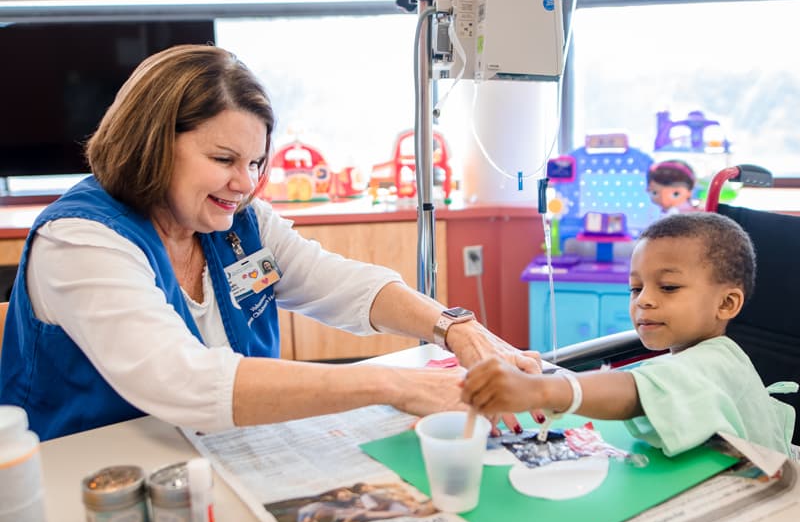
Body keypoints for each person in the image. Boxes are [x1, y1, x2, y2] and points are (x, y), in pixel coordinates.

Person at [0, 45, 539, 441]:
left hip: (217, 459)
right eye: (223, 160)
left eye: (256, 161)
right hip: (92, 482)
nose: (246, 183)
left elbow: (341, 285)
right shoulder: (80, 240)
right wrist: (392, 384)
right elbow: (183, 380)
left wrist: (455, 327)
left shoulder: (238, 223)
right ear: (151, 144)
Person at [461, 212, 796, 457]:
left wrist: (542, 389)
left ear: (726, 303)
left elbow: (635, 391)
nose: (644, 300)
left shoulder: (715, 362)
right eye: (636, 287)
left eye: (668, 287)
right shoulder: (694, 353)